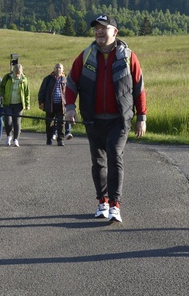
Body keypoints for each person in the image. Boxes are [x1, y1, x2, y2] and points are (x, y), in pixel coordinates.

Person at [65, 14, 147, 224]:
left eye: (104, 27)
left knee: (114, 154)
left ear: (115, 32)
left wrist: (141, 117)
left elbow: (139, 88)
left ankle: (115, 206)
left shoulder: (128, 57)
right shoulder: (85, 56)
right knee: (98, 162)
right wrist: (70, 107)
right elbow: (72, 82)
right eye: (97, 28)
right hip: (93, 119)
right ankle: (102, 202)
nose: (99, 31)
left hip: (120, 119)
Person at [0, 63, 30, 147]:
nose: (17, 75)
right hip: (8, 103)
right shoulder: (7, 77)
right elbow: (1, 87)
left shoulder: (24, 79)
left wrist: (27, 104)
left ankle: (16, 139)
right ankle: (9, 136)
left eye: (19, 73)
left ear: (21, 72)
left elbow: (27, 92)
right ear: (13, 71)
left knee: (17, 122)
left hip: (19, 104)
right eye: (16, 73)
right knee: (8, 121)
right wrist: (2, 95)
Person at [38, 63, 67, 146]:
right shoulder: (48, 79)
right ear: (54, 69)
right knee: (49, 122)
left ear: (62, 70)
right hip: (50, 104)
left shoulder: (65, 80)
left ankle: (60, 140)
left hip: (61, 105)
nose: (58, 69)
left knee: (61, 123)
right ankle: (49, 139)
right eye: (57, 67)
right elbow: (42, 91)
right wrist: (41, 102)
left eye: (60, 68)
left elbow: (69, 92)